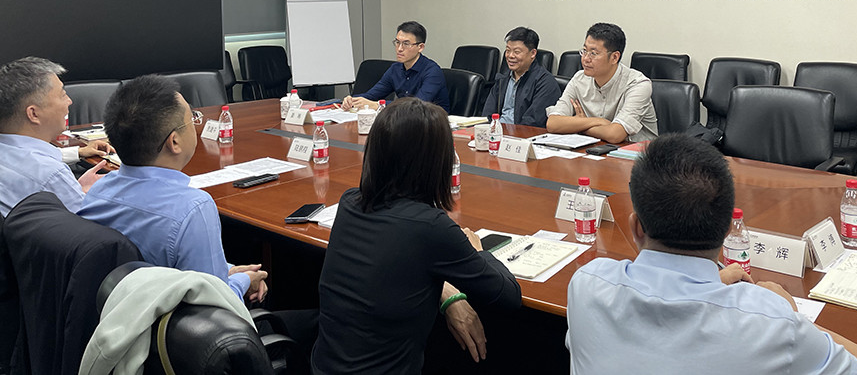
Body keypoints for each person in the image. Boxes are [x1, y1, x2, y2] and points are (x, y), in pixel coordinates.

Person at [566, 134, 857, 375]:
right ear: (725, 234)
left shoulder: (587, 286)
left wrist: (706, 286)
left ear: (636, 227)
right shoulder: (771, 325)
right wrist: (793, 317)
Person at [313, 98, 521, 375]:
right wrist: (479, 251)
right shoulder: (432, 227)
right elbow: (508, 296)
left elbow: (393, 270)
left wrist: (446, 293)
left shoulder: (351, 201)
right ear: (436, 162)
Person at [78, 75, 267, 303]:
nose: (195, 124)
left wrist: (226, 270)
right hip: (169, 322)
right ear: (174, 142)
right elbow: (214, 304)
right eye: (192, 118)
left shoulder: (99, 190)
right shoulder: (193, 208)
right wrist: (245, 281)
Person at [0, 57, 106, 216]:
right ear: (34, 114)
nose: (69, 101)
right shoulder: (51, 174)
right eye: (62, 95)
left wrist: (74, 189)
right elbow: (91, 223)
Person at [545, 23, 656, 143]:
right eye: (584, 51)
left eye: (593, 53)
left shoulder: (638, 84)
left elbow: (615, 135)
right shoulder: (579, 79)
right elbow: (553, 123)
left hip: (635, 151)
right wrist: (598, 121)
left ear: (614, 57)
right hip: (593, 149)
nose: (585, 59)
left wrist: (579, 125)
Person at [341, 21, 450, 111]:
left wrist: (378, 105)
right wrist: (352, 100)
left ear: (420, 47)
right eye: (397, 42)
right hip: (404, 120)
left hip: (433, 122)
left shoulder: (432, 71)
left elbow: (417, 106)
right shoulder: (395, 69)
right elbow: (372, 95)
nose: (399, 49)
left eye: (406, 44)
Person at [482, 27, 561, 128]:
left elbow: (533, 123)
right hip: (497, 133)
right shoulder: (502, 80)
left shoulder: (545, 83)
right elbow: (487, 116)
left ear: (533, 53)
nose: (510, 56)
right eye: (508, 50)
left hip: (522, 135)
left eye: (517, 52)